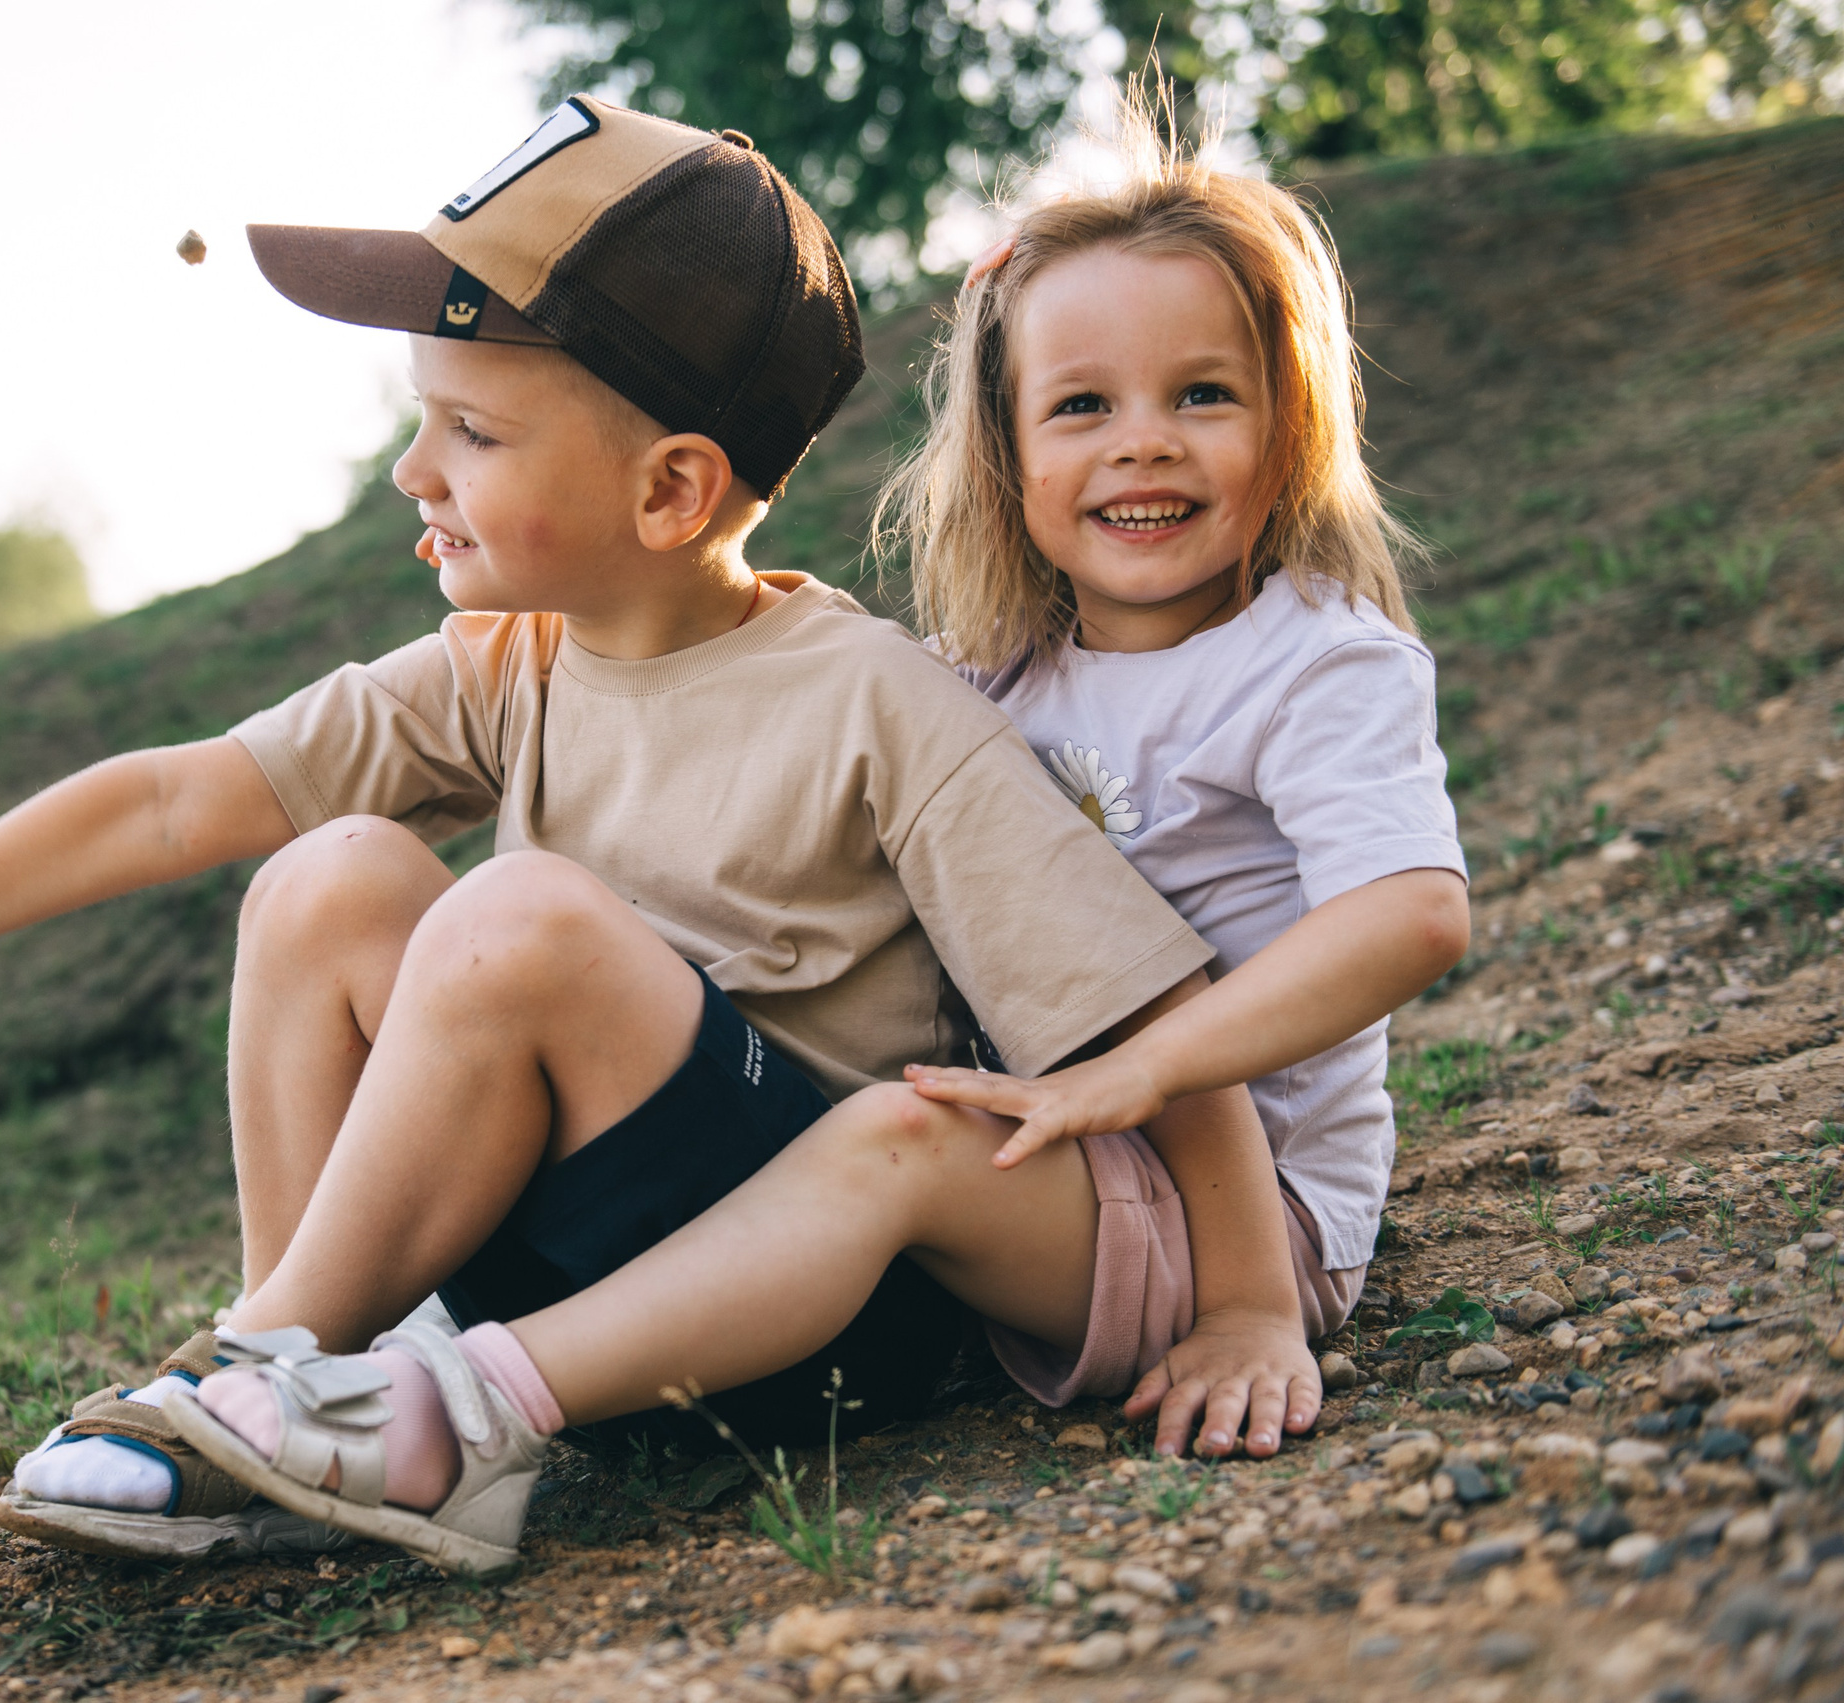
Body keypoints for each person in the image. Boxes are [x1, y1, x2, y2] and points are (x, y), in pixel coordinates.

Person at [0, 96, 1286, 1569]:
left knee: (519, 917)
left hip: (806, 1318)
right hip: (569, 1257)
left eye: (472, 433)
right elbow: (179, 794)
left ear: (671, 492)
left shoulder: (877, 703)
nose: (416, 471)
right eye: (424, 418)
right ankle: (297, 1380)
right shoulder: (507, 663)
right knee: (328, 874)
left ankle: (250, 1371)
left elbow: (1151, 1022)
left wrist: (1246, 1302)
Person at [162, 98, 1472, 1576]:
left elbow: (1408, 919)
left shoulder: (1317, 660)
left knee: (896, 1137)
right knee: (878, 1122)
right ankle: (311, 1368)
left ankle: (462, 1411)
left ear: (1289, 415)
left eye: (1204, 397)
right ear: (1010, 447)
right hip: (1046, 1165)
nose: (1142, 447)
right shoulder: (995, 674)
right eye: (1083, 407)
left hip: (1239, 1213)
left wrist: (1238, 1287)